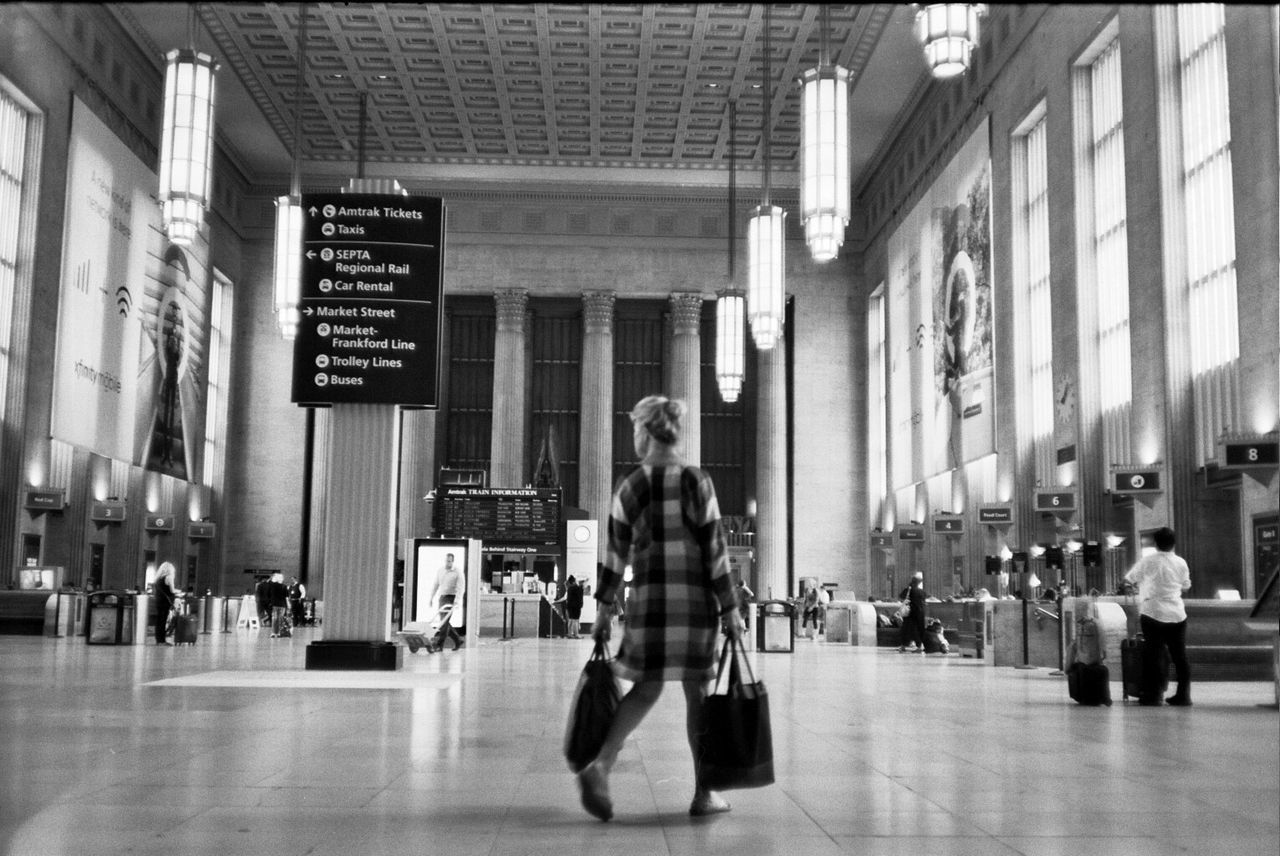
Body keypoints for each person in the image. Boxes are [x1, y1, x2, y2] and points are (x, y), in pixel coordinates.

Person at [576, 395, 745, 822]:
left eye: (635, 427)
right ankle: (704, 794)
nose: (633, 435)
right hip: (695, 607)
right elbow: (716, 550)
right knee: (697, 695)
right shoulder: (695, 480)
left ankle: (602, 765)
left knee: (646, 688)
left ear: (648, 431)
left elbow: (614, 555)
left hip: (648, 605)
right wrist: (731, 608)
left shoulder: (630, 485)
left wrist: (602, 610)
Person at [1124, 527, 1193, 706]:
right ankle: (1183, 695)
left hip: (1152, 612)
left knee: (1153, 654)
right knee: (1180, 656)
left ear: (1155, 543)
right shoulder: (1181, 562)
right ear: (1173, 543)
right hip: (1177, 613)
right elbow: (1186, 585)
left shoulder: (1147, 561)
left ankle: (1153, 695)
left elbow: (1129, 579)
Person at [426, 553, 465, 653]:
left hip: (451, 598)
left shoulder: (457, 572)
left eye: (449, 561)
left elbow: (461, 588)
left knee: (444, 622)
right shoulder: (441, 571)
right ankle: (458, 640)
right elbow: (436, 584)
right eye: (446, 561)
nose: (447, 563)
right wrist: (431, 597)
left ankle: (439, 645)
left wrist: (456, 601)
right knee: (444, 622)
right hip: (442, 598)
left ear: (453, 561)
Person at [898, 571, 927, 653]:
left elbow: (901, 597)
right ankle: (919, 646)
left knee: (906, 629)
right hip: (921, 613)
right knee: (919, 629)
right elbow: (924, 600)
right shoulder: (922, 592)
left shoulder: (908, 590)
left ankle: (903, 646)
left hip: (911, 613)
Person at [152, 562, 180, 646]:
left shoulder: (158, 578)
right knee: (163, 621)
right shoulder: (169, 577)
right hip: (165, 602)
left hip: (159, 601)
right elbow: (172, 590)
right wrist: (178, 591)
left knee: (159, 621)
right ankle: (162, 640)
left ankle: (159, 640)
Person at [266, 572, 290, 638]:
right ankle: (279, 632)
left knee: (274, 619)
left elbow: (268, 582)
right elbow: (287, 597)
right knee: (280, 619)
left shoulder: (273, 585)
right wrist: (288, 605)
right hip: (282, 605)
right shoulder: (284, 586)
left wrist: (272, 577)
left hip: (274, 604)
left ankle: (273, 633)